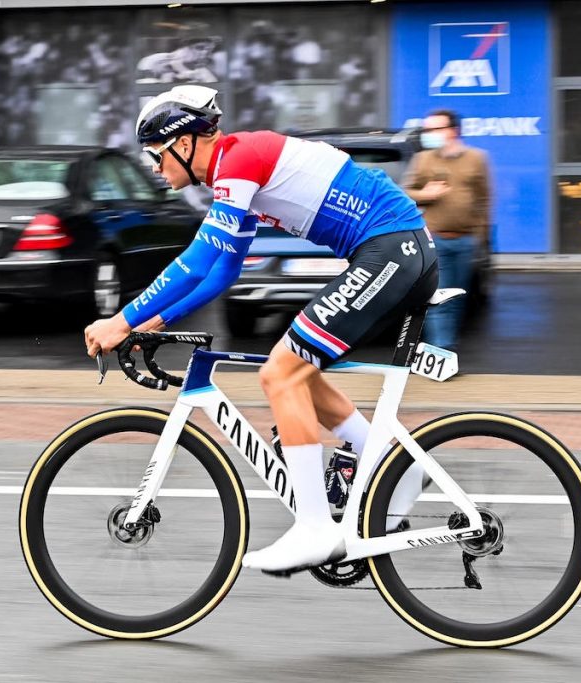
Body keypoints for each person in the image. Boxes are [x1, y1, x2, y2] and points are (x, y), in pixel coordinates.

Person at [84, 85, 438, 573]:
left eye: (157, 155)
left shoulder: (240, 159)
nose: (154, 168)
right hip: (390, 251)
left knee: (281, 373)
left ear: (185, 144)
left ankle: (315, 528)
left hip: (393, 249)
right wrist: (152, 323)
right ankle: (397, 466)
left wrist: (119, 321)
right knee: (299, 369)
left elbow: (197, 260)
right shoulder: (236, 173)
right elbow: (223, 272)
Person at [401, 109, 491, 353]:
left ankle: (446, 345)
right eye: (427, 130)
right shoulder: (424, 160)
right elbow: (405, 192)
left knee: (457, 297)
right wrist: (425, 194)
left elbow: (484, 199)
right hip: (436, 240)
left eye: (435, 129)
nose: (430, 134)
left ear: (453, 131)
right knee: (438, 297)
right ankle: (441, 350)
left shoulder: (477, 158)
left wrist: (480, 238)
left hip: (465, 241)